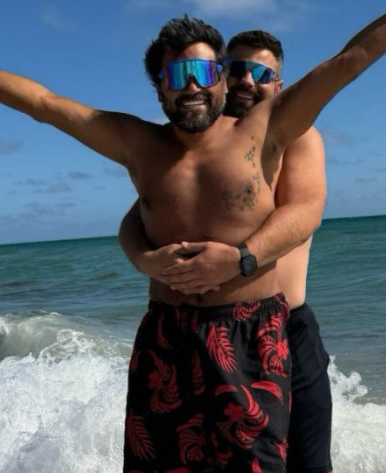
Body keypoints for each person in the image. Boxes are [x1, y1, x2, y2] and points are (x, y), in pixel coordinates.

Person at [0, 1, 386, 470]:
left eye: (202, 72)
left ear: (220, 78)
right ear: (159, 90)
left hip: (250, 336)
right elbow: (45, 105)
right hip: (166, 340)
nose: (191, 86)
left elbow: (351, 59)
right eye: (176, 76)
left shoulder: (267, 130)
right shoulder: (139, 145)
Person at [117, 30, 332, 472]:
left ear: (279, 85)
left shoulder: (295, 136)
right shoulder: (195, 147)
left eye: (261, 73)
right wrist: (143, 259)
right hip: (205, 332)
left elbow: (305, 211)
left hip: (282, 326)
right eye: (237, 69)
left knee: (309, 462)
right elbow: (138, 215)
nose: (247, 80)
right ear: (219, 76)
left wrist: (240, 258)